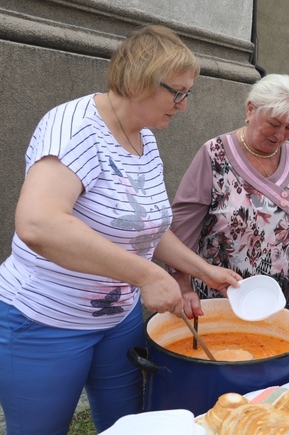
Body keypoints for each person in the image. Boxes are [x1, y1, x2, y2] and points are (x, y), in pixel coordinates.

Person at [0, 25, 242, 434]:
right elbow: (38, 223)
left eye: (189, 93)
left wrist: (202, 271)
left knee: (129, 425)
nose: (183, 105)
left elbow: (145, 227)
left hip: (119, 319)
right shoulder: (74, 127)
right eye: (177, 92)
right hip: (45, 321)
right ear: (139, 80)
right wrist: (146, 274)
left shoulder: (144, 137)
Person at [169, 74, 289, 318]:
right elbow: (182, 228)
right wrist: (182, 284)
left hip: (274, 300)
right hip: (219, 299)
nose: (280, 135)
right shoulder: (215, 154)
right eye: (274, 124)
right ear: (250, 110)